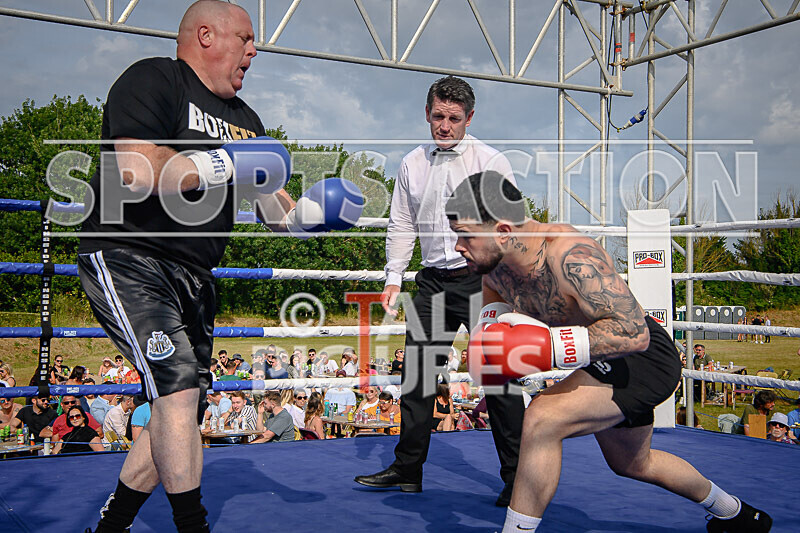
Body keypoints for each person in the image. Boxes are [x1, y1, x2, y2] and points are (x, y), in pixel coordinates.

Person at [75, 1, 359, 529]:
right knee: (178, 390)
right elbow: (135, 170)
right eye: (246, 38)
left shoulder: (248, 122)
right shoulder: (155, 79)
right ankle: (194, 525)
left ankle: (112, 525)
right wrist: (224, 161)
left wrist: (314, 218)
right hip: (130, 256)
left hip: (195, 277)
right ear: (206, 35)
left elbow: (278, 214)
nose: (255, 50)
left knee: (177, 409)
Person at [444, 171, 771, 533]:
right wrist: (493, 343)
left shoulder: (571, 254)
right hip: (597, 360)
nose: (458, 246)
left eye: (466, 236)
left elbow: (634, 332)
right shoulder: (494, 269)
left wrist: (547, 347)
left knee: (541, 419)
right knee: (634, 463)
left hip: (642, 357)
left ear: (503, 232)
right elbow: (494, 313)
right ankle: (736, 513)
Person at [356, 76, 523, 507]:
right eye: (437, 116)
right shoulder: (412, 162)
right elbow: (402, 223)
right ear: (427, 113)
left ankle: (519, 478)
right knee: (417, 378)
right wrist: (393, 277)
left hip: (483, 281)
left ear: (469, 118)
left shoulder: (491, 160)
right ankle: (408, 470)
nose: (444, 126)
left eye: (453, 118)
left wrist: (508, 280)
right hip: (431, 280)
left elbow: (511, 226)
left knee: (500, 380)